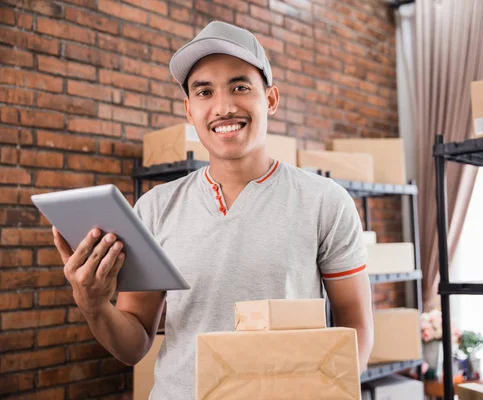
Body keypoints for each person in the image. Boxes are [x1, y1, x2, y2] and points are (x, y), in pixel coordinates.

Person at [52, 21, 374, 399]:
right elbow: (133, 344)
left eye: (240, 87)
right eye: (204, 92)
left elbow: (356, 326)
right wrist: (93, 306)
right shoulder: (155, 207)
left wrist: (327, 389)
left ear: (270, 99)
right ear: (190, 110)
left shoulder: (325, 201)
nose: (222, 107)